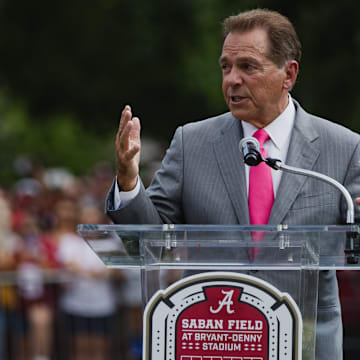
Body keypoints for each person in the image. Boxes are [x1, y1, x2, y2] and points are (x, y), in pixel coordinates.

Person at [105, 9, 360, 360]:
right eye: (226, 67)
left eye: (247, 67)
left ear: (289, 73)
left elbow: (353, 242)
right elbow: (149, 239)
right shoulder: (191, 143)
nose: (232, 79)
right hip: (215, 340)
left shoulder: (343, 148)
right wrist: (128, 180)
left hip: (306, 343)